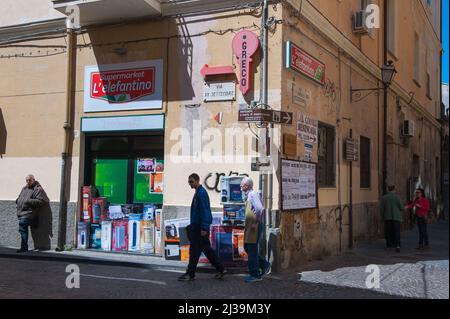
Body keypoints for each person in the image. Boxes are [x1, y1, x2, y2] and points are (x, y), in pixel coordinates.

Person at [178, 173, 226, 281]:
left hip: (200, 229)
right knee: (201, 251)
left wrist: (204, 228)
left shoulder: (201, 193)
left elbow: (205, 211)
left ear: (197, 181)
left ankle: (191, 273)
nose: (190, 184)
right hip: (197, 228)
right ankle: (220, 269)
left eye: (191, 182)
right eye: (189, 182)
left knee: (198, 251)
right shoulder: (198, 192)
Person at [240, 177, 271, 283]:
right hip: (250, 226)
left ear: (247, 185)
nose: (240, 186)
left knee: (252, 249)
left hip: (254, 226)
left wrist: (256, 223)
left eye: (242, 184)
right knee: (248, 248)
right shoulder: (249, 195)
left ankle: (255, 274)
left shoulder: (253, 194)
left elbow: (260, 208)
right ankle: (264, 264)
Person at [15, 174, 49, 253]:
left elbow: (42, 201)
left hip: (29, 213)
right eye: (26, 180)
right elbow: (20, 196)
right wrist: (18, 200)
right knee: (23, 227)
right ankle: (34, 222)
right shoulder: (24, 188)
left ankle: (24, 247)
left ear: (33, 179)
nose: (28, 181)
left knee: (22, 225)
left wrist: (28, 201)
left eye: (29, 180)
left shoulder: (38, 189)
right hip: (22, 212)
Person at [380, 185, 404, 253]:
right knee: (396, 232)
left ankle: (389, 245)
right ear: (394, 189)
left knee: (388, 231)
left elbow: (381, 209)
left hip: (387, 217)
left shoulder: (384, 198)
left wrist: (382, 217)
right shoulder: (397, 197)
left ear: (388, 189)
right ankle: (397, 245)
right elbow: (401, 207)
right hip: (396, 217)